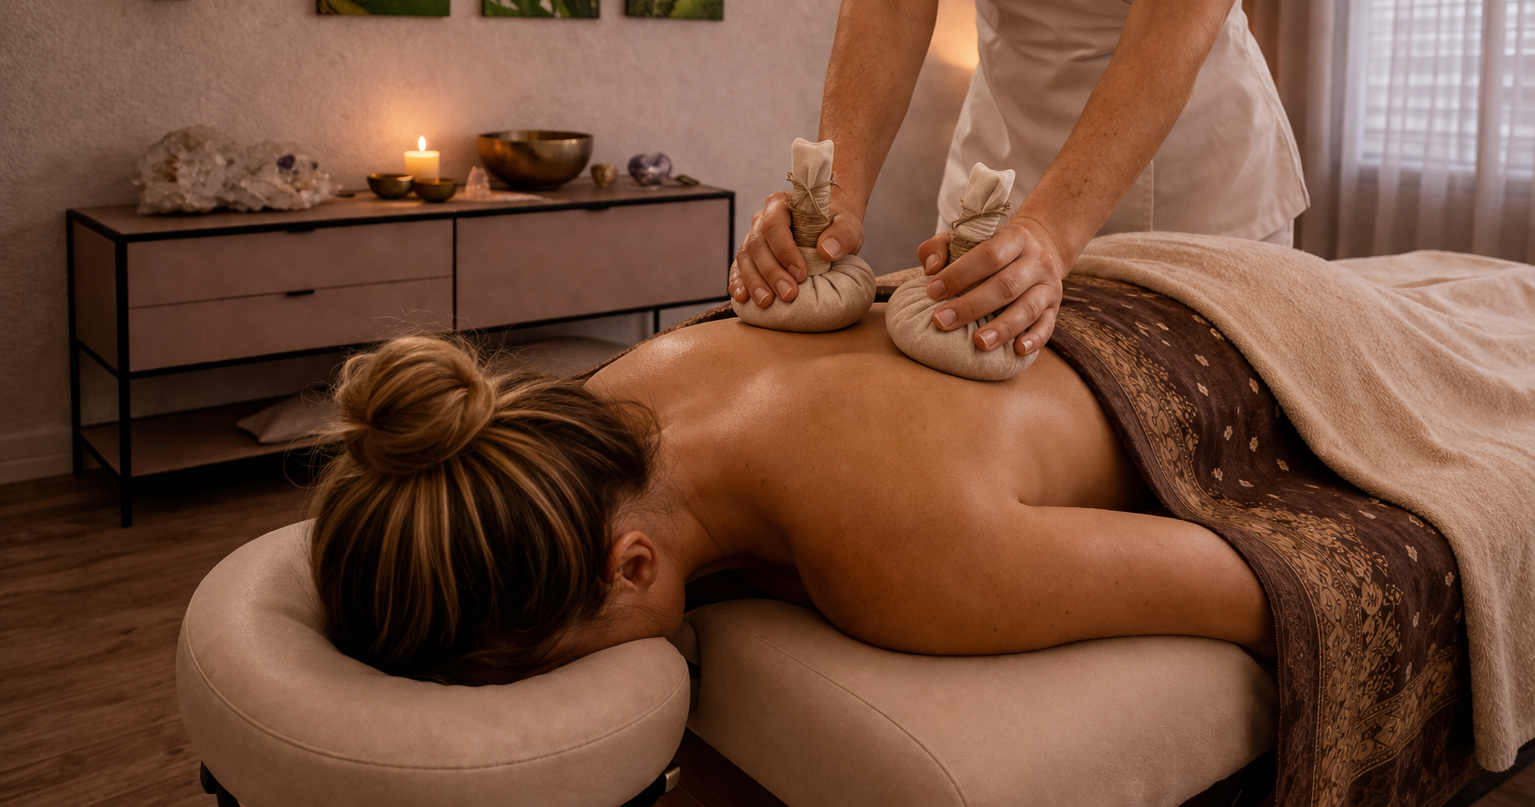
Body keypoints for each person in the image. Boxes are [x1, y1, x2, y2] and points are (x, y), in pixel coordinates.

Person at [309, 322, 1274, 685]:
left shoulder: (904, 559)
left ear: (631, 564)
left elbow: (1258, 588)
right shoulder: (601, 402)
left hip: (1227, 344)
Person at [731, 0, 1307, 361]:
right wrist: (831, 196)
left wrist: (1051, 231)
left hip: (1195, 189)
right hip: (992, 190)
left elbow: (1174, 24)